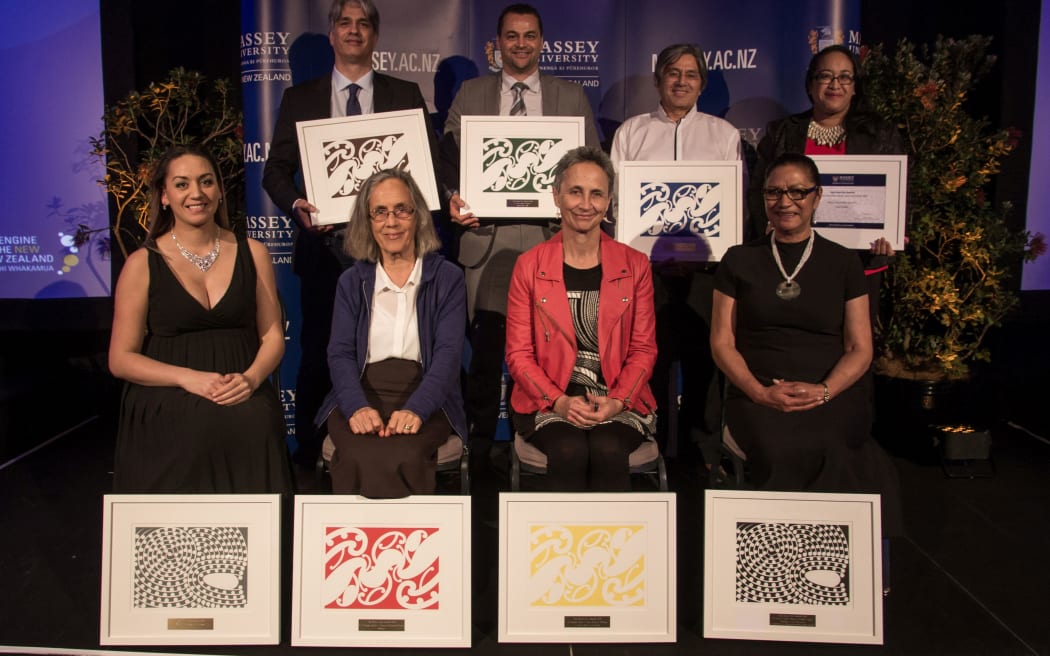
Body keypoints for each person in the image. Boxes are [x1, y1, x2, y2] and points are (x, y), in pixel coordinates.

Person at [262, 0, 438, 468]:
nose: (354, 31)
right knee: (323, 349)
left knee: (395, 345)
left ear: (375, 35)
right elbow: (275, 170)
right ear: (332, 34)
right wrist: (297, 203)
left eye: (363, 24)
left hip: (394, 248)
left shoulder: (405, 93)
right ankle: (310, 451)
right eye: (345, 23)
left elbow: (431, 168)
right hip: (327, 248)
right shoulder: (300, 98)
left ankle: (388, 431)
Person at [711, 153, 900, 532]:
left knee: (834, 447)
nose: (785, 202)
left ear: (817, 197)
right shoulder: (738, 260)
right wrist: (760, 393)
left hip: (832, 392)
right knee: (777, 448)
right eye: (774, 192)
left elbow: (860, 347)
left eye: (798, 192)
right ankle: (772, 556)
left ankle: (835, 559)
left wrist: (824, 391)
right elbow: (722, 342)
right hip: (758, 392)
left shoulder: (844, 262)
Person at [440, 3, 601, 445]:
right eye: (511, 36)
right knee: (487, 355)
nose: (521, 44)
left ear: (542, 42)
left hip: (553, 240)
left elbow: (592, 164)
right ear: (497, 45)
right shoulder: (470, 94)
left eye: (529, 35)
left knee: (551, 354)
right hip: (487, 241)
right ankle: (482, 448)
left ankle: (538, 441)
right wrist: (452, 197)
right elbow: (447, 161)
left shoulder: (570, 96)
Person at [109, 145, 293, 493]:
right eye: (182, 184)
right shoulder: (141, 264)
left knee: (254, 419)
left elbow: (271, 337)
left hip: (240, 385)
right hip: (168, 392)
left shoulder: (253, 253)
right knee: (194, 425)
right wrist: (188, 378)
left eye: (206, 181)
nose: (196, 193)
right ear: (164, 196)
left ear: (220, 190)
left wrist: (251, 379)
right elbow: (121, 359)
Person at [609, 43, 741, 464]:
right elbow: (614, 203)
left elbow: (734, 205)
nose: (682, 81)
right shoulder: (632, 132)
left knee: (706, 361)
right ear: (658, 80)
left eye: (691, 74)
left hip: (706, 272)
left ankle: (701, 453)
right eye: (673, 73)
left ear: (702, 83)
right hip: (646, 272)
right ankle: (653, 448)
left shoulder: (724, 136)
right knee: (651, 362)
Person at [505, 147, 657, 491]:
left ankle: (614, 543)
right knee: (569, 448)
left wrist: (617, 401)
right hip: (549, 399)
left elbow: (644, 349)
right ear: (556, 196)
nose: (585, 204)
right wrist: (558, 401)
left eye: (596, 193)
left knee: (607, 446)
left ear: (608, 201)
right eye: (575, 191)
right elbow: (518, 355)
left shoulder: (635, 265)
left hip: (618, 398)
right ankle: (561, 543)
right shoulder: (529, 265)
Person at [316, 169, 467, 497]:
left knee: (404, 454)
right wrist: (356, 407)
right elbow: (340, 353)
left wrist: (417, 408)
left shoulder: (447, 278)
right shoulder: (351, 282)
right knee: (357, 453)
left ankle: (411, 546)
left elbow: (448, 355)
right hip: (360, 392)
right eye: (380, 212)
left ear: (418, 216)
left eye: (402, 209)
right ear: (367, 221)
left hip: (428, 394)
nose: (392, 222)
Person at [748, 44, 905, 321]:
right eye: (825, 76)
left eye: (845, 77)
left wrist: (894, 233)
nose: (835, 84)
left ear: (855, 86)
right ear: (811, 84)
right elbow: (758, 189)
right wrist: (768, 225)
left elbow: (900, 195)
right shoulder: (782, 132)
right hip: (791, 260)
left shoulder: (880, 133)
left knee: (853, 344)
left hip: (858, 264)